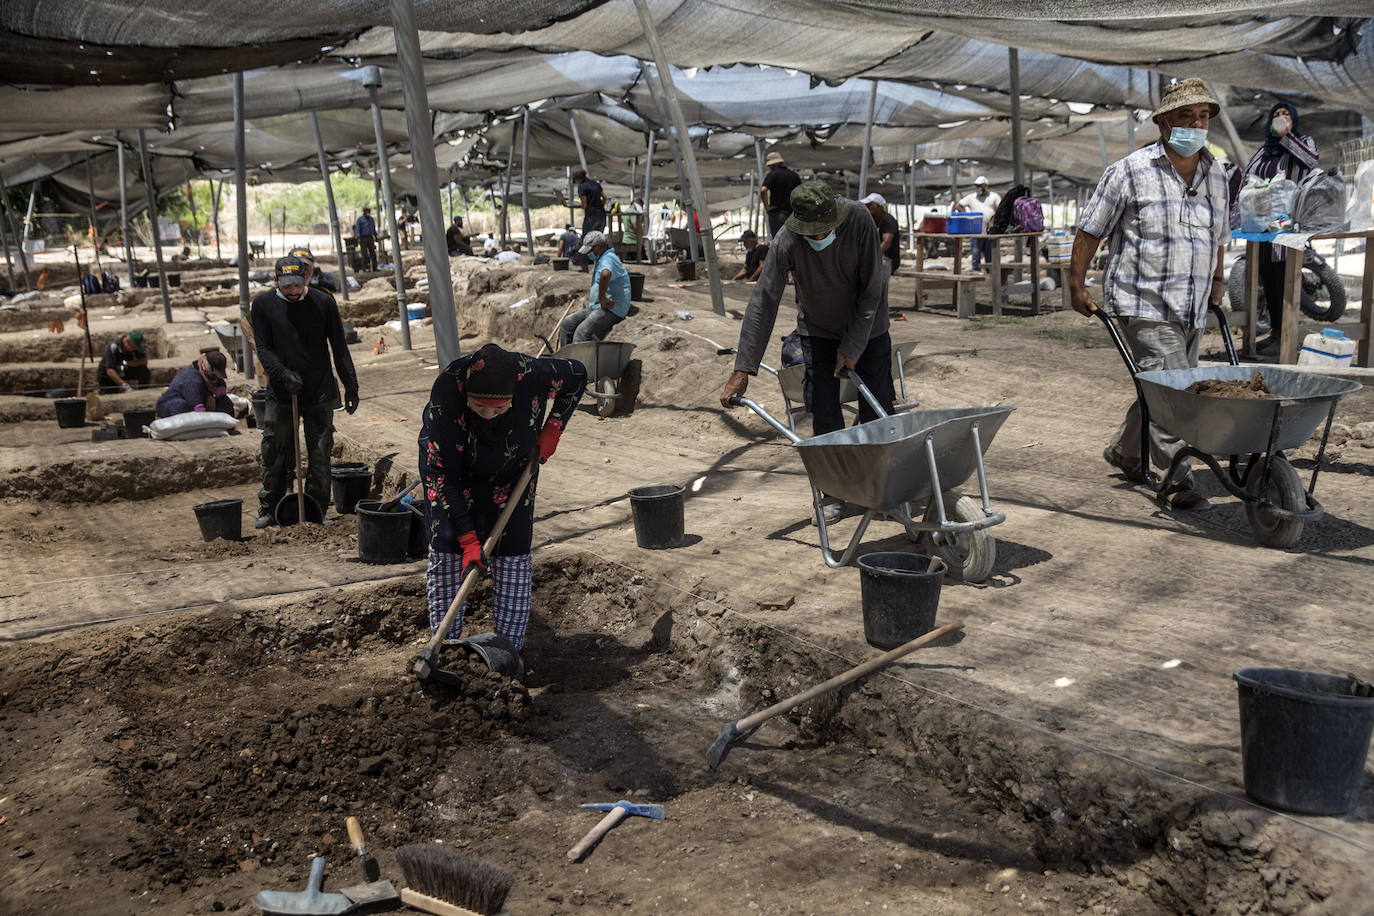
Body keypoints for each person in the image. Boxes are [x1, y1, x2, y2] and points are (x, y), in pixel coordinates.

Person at [1069, 77, 1229, 513]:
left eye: (1202, 117)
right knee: (1174, 390)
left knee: (1162, 385)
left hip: (1193, 304)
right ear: (1162, 122)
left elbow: (1218, 238)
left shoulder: (1217, 175)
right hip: (1143, 302)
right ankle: (1176, 479)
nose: (1195, 125)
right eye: (1185, 116)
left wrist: (1217, 285)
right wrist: (1076, 285)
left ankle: (1126, 451)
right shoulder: (1129, 171)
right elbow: (1090, 231)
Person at [721, 181, 894, 522]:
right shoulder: (787, 239)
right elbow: (763, 301)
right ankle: (833, 493)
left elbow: (872, 290)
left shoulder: (860, 221)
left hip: (870, 330)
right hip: (818, 331)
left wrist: (853, 345)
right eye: (811, 234)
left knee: (877, 410)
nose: (818, 239)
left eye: (824, 232)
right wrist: (744, 369)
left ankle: (881, 488)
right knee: (825, 412)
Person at [419, 343, 587, 651]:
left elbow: (579, 375)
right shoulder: (448, 388)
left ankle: (508, 653)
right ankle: (446, 650)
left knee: (512, 554)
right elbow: (443, 475)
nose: (489, 416)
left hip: (513, 471)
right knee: (448, 552)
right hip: (453, 470)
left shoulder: (535, 375)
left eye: (498, 409)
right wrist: (468, 540)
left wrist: (554, 426)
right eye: (479, 407)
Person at [250, 257, 360, 528]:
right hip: (282, 391)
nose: (293, 291)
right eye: (287, 286)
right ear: (276, 281)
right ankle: (269, 506)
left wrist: (351, 384)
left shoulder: (323, 302)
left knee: (321, 452)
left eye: (297, 285)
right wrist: (282, 373)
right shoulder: (263, 306)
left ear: (306, 279)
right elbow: (263, 348)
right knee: (274, 449)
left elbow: (338, 345)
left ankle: (315, 509)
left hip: (319, 390)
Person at [1242, 102, 1319, 357]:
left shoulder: (1303, 141)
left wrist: (1287, 135)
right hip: (1261, 226)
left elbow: (1310, 161)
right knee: (1267, 277)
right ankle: (1276, 333)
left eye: (1286, 114)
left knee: (1284, 277)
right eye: (1276, 115)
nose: (1281, 118)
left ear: (1294, 120)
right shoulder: (1264, 150)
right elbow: (1248, 176)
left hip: (1288, 224)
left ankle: (1287, 336)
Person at [559, 230, 631, 346]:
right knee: (567, 324)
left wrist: (602, 298)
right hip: (598, 307)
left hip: (612, 309)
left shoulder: (609, 258)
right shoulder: (601, 258)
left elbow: (605, 274)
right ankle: (564, 360)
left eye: (591, 250)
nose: (590, 254)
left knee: (581, 334)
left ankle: (577, 362)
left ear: (598, 246)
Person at [157, 350, 232, 418]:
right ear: (208, 367)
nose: (216, 377)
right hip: (172, 404)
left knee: (225, 401)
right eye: (214, 373)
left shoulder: (211, 376)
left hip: (202, 402)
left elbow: (222, 386)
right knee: (181, 407)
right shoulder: (192, 379)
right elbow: (198, 408)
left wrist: (213, 396)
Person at [956, 176, 1002, 271]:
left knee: (989, 252)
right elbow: (959, 205)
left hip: (989, 231)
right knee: (976, 251)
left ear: (986, 186)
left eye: (980, 186)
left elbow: (1000, 209)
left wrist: (995, 219)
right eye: (976, 186)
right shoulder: (971, 197)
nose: (978, 188)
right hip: (976, 230)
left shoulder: (994, 196)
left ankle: (990, 272)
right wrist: (966, 216)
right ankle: (976, 271)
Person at [860, 193, 901, 287]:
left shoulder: (887, 220)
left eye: (869, 205)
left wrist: (872, 257)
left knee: (875, 288)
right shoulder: (873, 219)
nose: (867, 207)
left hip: (886, 259)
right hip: (879, 257)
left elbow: (887, 243)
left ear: (877, 206)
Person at [760, 151, 802, 239]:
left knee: (779, 242)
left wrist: (767, 206)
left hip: (778, 213)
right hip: (793, 214)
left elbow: (763, 190)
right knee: (795, 241)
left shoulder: (772, 175)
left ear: (772, 165)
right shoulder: (794, 175)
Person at [573, 168, 606, 265]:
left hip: (591, 216)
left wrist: (571, 206)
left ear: (577, 179)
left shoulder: (582, 187)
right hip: (601, 214)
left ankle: (584, 264)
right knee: (598, 239)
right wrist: (599, 207)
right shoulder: (596, 184)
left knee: (586, 239)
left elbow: (584, 205)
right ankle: (599, 262)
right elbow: (605, 198)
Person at [354, 206, 378, 271]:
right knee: (364, 254)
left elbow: (373, 229)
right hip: (363, 238)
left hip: (370, 238)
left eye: (369, 211)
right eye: (366, 211)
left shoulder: (371, 219)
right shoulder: (360, 220)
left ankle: (375, 267)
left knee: (373, 253)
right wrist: (358, 238)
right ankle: (364, 268)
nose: (368, 212)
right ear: (364, 212)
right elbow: (358, 229)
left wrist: (375, 237)